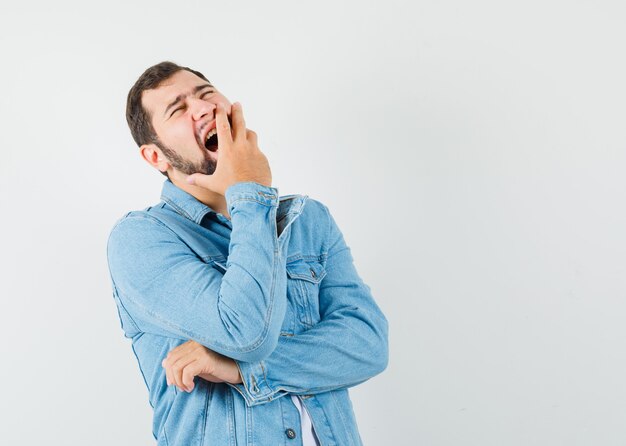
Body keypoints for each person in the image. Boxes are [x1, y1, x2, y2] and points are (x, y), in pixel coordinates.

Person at [106, 61, 389, 445]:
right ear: (157, 157)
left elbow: (368, 345)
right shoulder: (140, 240)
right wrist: (250, 190)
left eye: (206, 94)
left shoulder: (308, 220)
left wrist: (240, 370)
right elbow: (244, 334)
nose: (203, 108)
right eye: (178, 109)